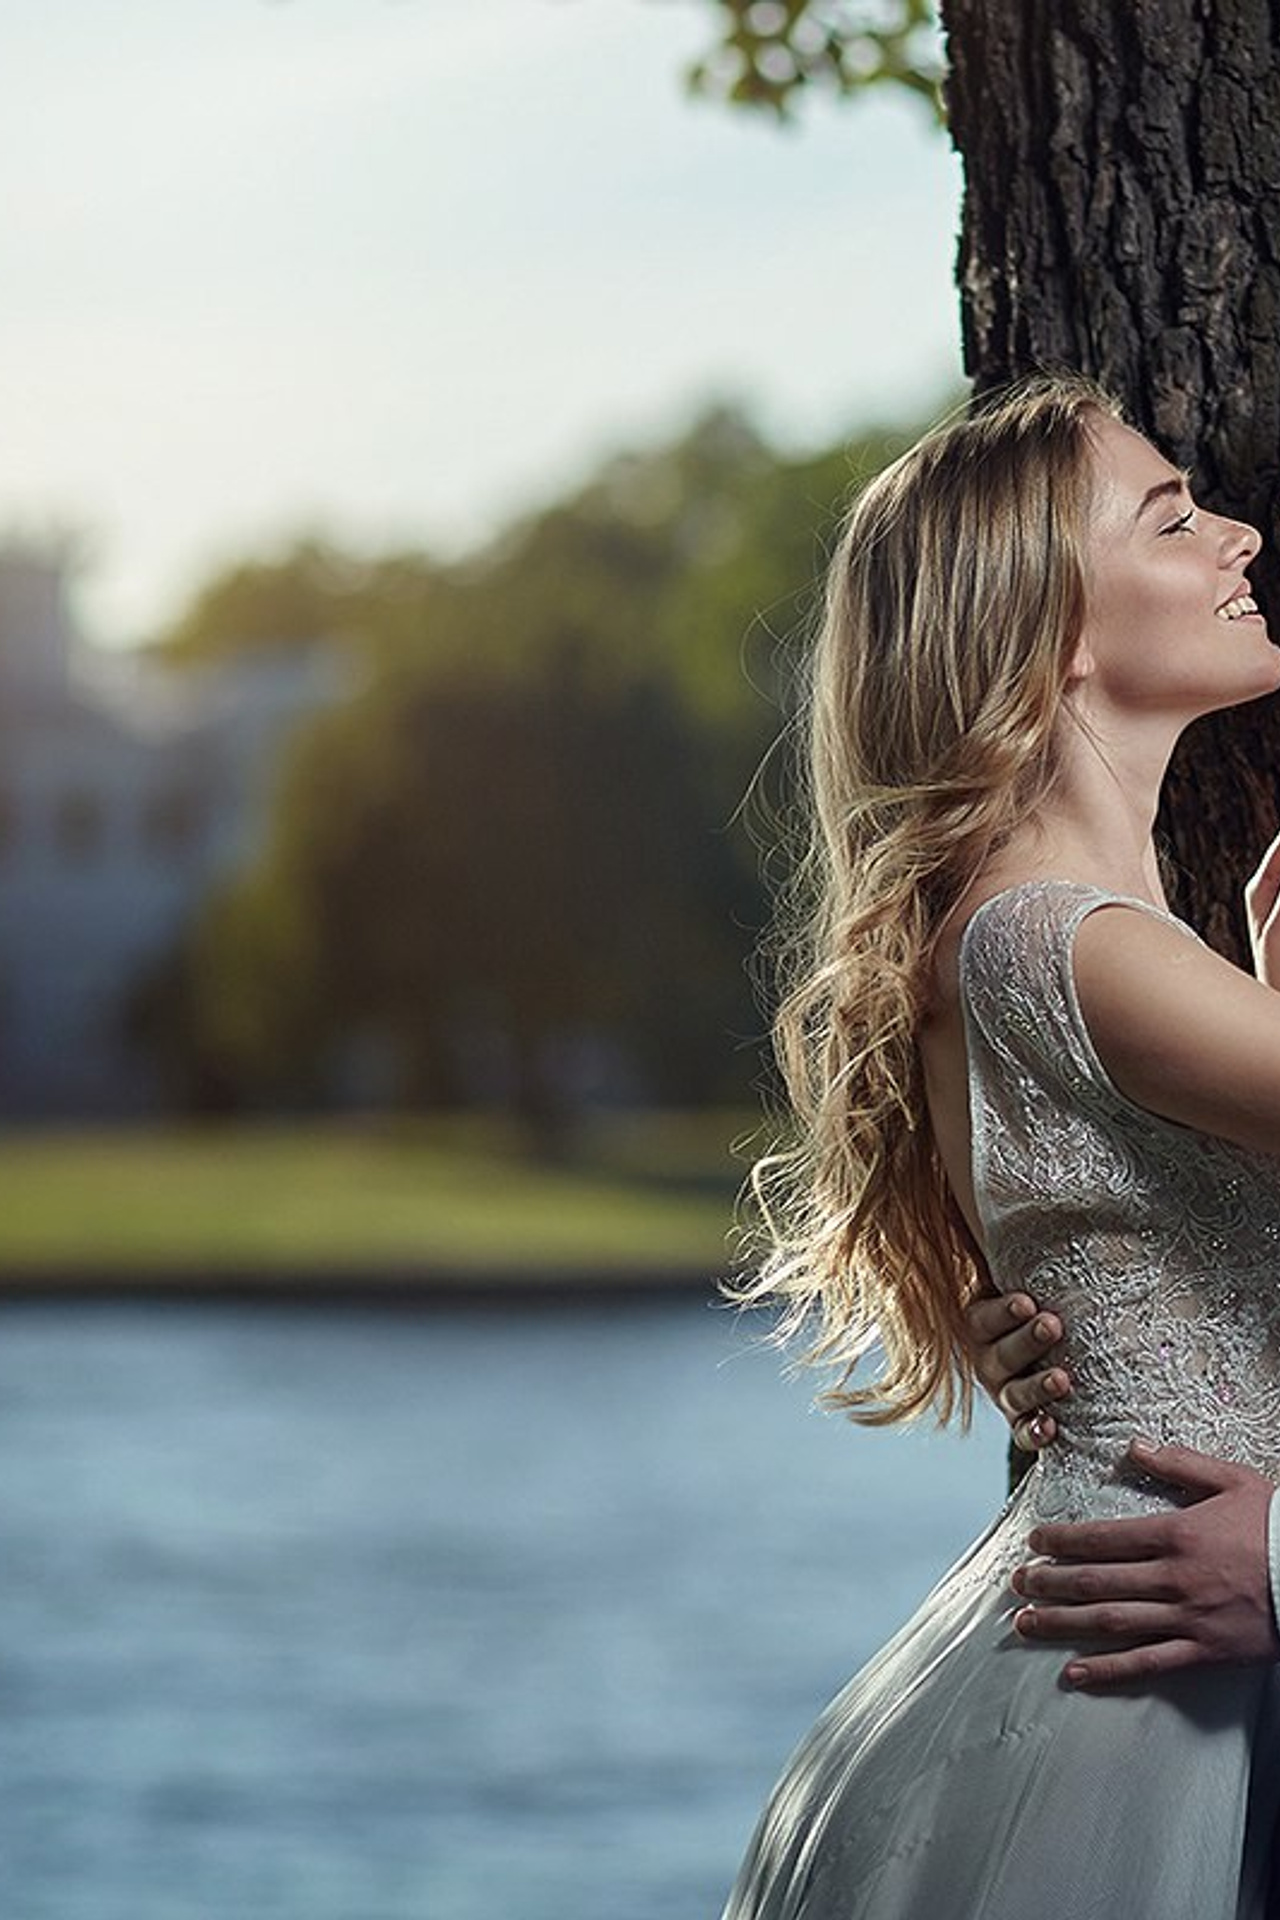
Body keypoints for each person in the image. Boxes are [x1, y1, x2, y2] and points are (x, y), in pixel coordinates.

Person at [721, 372, 1280, 1919]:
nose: (1239, 535)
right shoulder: (1072, 948)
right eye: (1173, 515)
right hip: (1163, 1689)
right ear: (1056, 632)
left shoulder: (1075, 945)